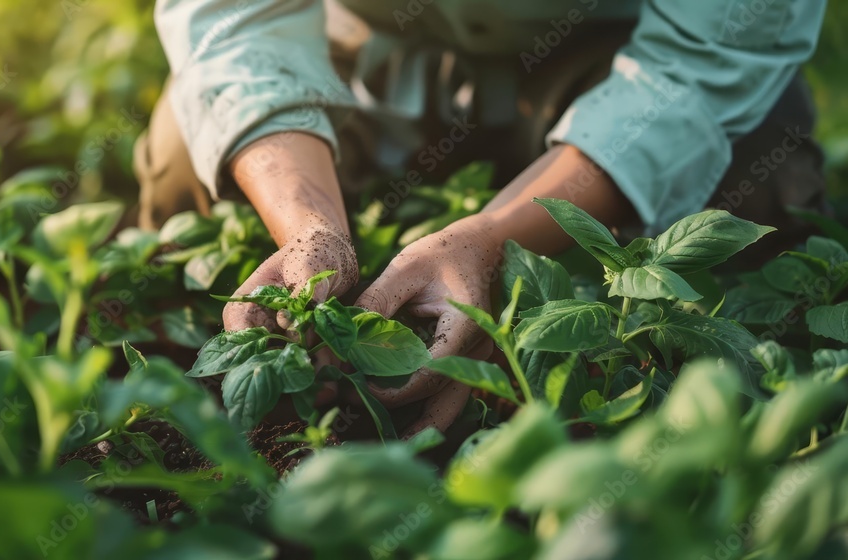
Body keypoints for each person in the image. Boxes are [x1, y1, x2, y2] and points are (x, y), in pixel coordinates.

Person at [136, 0, 829, 436]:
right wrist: (307, 225)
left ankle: (504, 271)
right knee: (181, 157)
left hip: (606, 63)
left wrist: (499, 240)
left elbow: (704, 62)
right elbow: (232, 19)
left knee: (757, 173)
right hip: (368, 48)